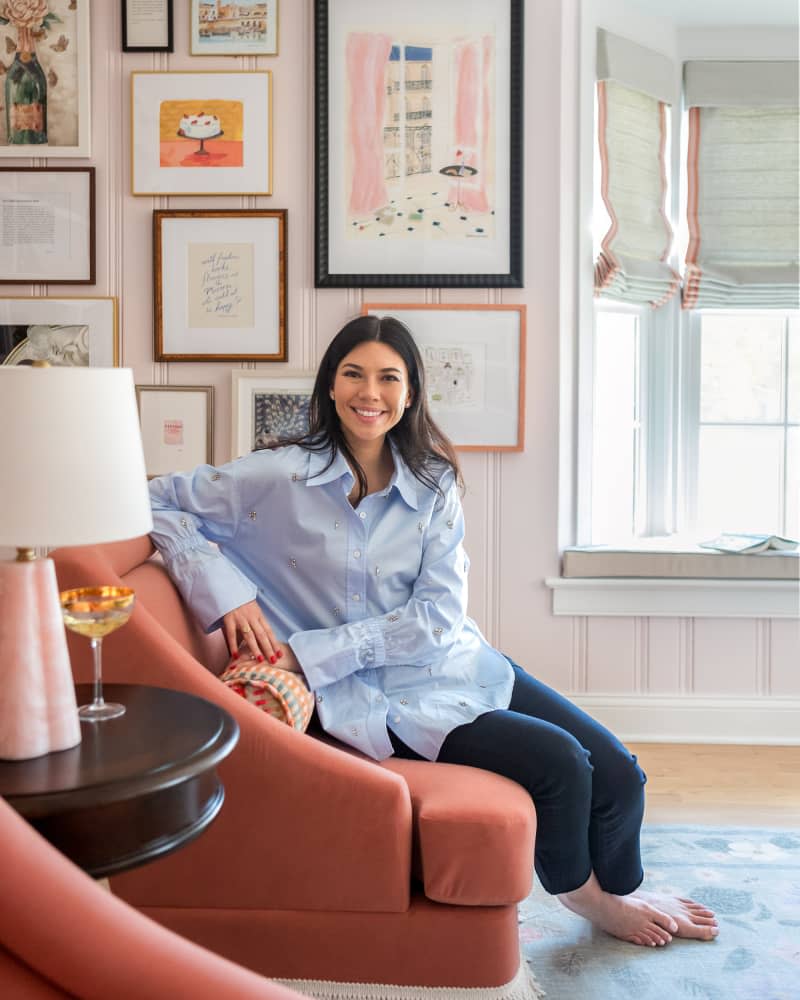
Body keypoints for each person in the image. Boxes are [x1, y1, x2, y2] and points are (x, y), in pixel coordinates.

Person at [149, 315, 718, 948]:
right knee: (564, 766)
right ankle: (588, 900)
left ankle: (622, 888)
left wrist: (304, 653)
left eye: (389, 377)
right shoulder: (275, 477)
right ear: (331, 388)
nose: (371, 393)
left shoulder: (434, 483)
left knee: (620, 775)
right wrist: (228, 592)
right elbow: (152, 499)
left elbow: (437, 618)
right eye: (354, 374)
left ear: (412, 392)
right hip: (373, 698)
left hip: (456, 662)